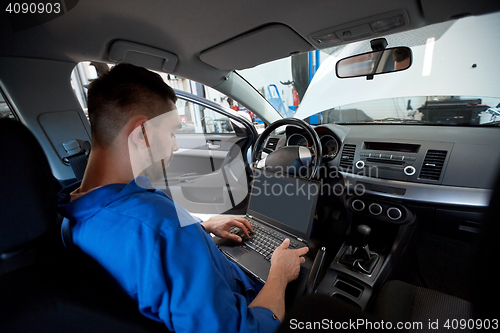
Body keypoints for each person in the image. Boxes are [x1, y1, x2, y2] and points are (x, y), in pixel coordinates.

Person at [58, 63, 308, 333]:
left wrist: (199, 230)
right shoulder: (160, 227)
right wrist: (279, 275)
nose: (175, 145)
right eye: (171, 132)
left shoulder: (73, 212)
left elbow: (146, 259)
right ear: (142, 132)